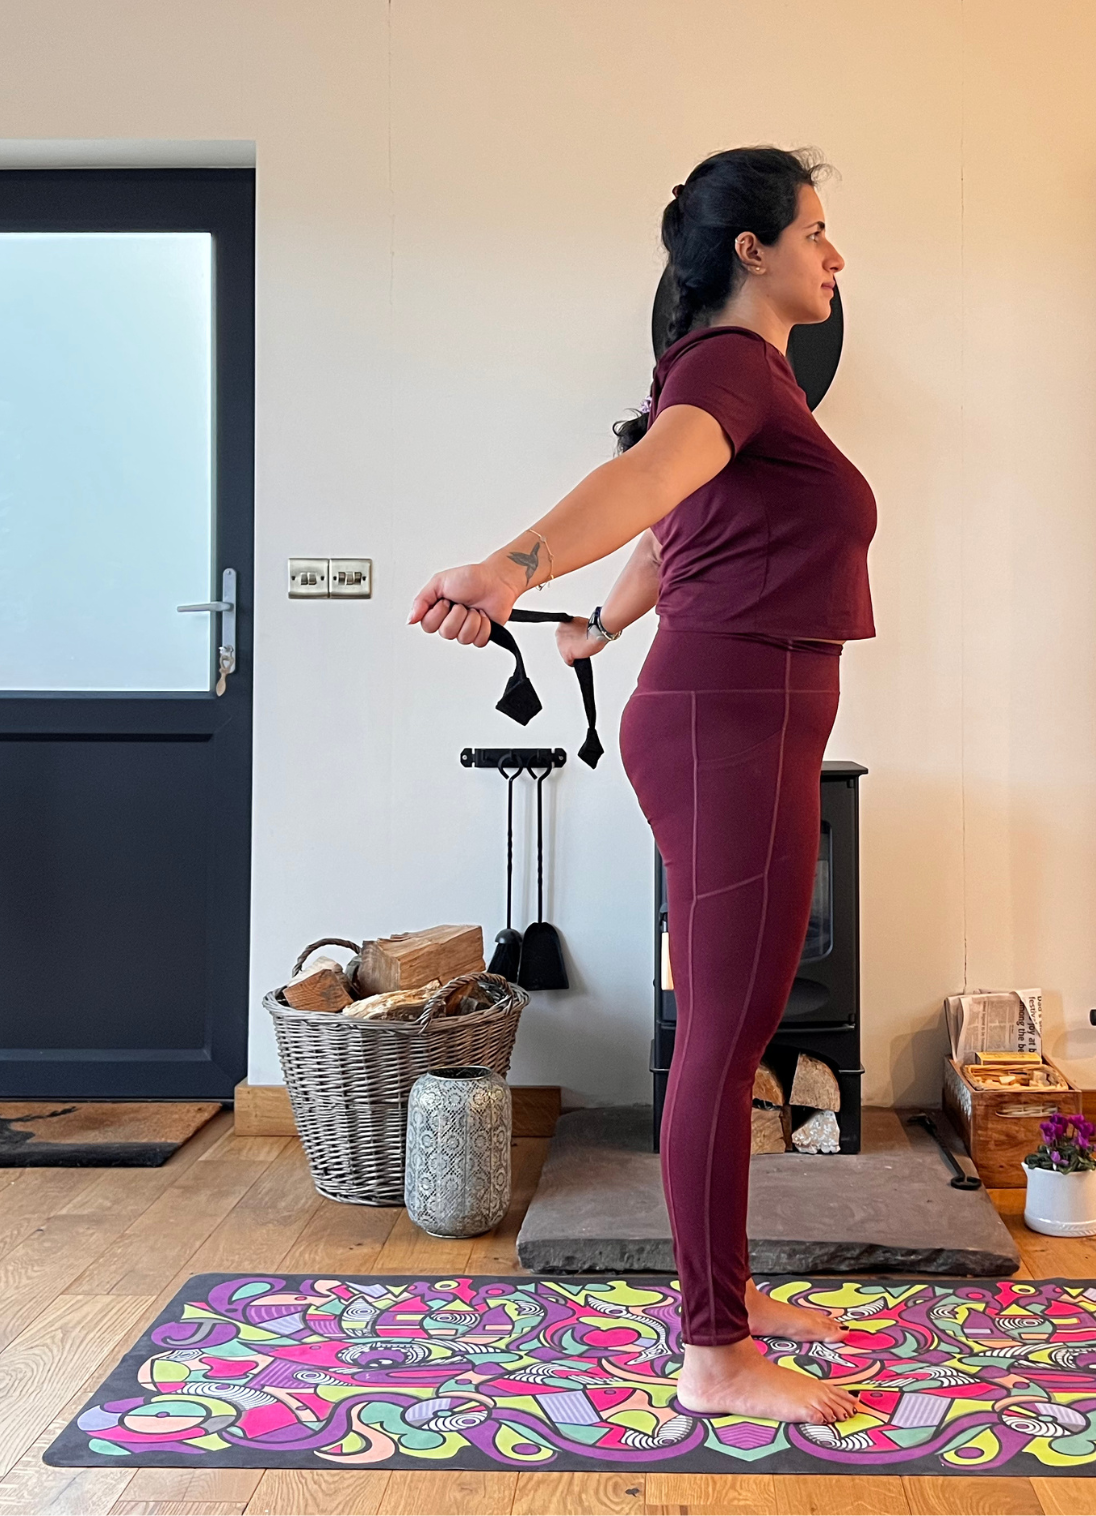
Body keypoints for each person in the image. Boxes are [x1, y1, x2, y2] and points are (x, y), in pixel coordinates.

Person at [408, 145, 876, 1425]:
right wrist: (512, 564)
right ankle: (715, 1350)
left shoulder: (751, 385)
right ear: (752, 250)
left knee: (737, 1030)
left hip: (732, 709)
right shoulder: (726, 370)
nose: (835, 257)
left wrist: (596, 630)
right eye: (818, 232)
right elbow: (646, 480)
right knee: (721, 1045)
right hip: (736, 715)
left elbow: (680, 534)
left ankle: (723, 1294)